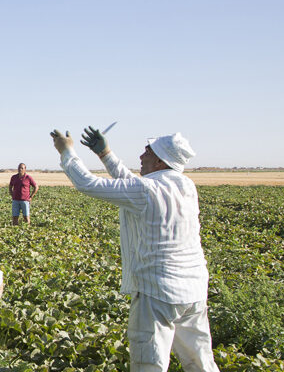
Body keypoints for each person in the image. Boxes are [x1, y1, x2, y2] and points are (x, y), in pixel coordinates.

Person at [50, 127, 219, 372]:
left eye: (147, 152)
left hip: (158, 293)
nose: (141, 156)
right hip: (194, 291)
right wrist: (105, 154)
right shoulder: (186, 186)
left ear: (160, 161)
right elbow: (133, 185)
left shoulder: (146, 190)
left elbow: (89, 183)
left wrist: (67, 151)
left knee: (149, 363)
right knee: (200, 361)